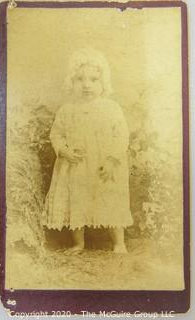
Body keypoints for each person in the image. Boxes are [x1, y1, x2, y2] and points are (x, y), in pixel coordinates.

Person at [42, 48, 133, 253]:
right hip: (76, 166)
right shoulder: (67, 110)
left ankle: (119, 242)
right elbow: (56, 135)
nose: (86, 85)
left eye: (93, 80)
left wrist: (111, 160)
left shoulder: (111, 108)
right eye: (80, 79)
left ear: (103, 83)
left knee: (110, 197)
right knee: (77, 198)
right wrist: (64, 151)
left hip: (104, 166)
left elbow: (121, 136)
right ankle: (78, 243)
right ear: (71, 82)